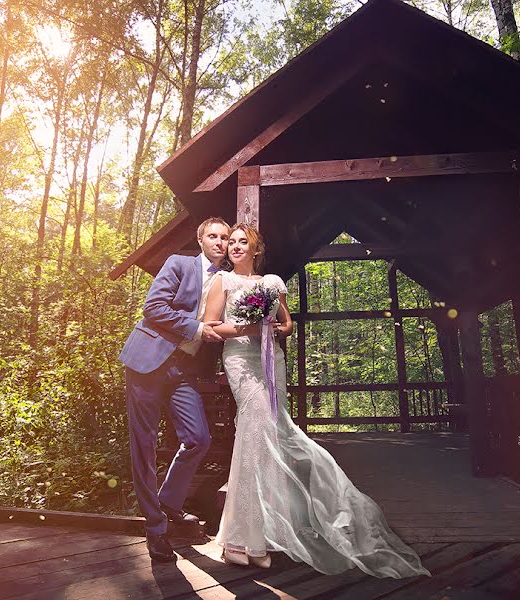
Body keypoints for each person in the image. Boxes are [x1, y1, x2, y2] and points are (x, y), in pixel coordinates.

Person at [202, 223, 430, 578]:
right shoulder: (222, 282)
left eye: (242, 242)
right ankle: (238, 540)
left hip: (270, 361)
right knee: (254, 433)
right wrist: (251, 327)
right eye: (230, 242)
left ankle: (257, 536)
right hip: (241, 362)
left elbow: (288, 323)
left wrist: (276, 328)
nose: (234, 246)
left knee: (267, 440)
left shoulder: (270, 283)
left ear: (256, 248)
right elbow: (211, 328)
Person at [118, 217, 230, 562]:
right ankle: (155, 530)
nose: (220, 242)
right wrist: (196, 329)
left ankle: (168, 502)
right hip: (147, 362)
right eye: (213, 235)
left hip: (184, 371)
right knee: (144, 447)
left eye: (225, 237)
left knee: (198, 438)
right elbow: (152, 308)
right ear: (201, 240)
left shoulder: (228, 281)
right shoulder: (179, 264)